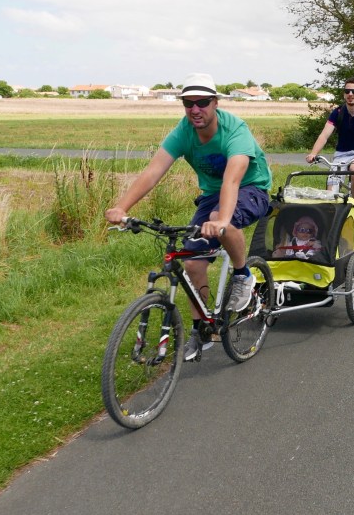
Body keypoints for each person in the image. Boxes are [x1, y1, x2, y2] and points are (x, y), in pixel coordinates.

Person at [105, 72, 272, 361]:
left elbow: (232, 181)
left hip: (251, 188)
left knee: (223, 218)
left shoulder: (235, 130)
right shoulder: (183, 132)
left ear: (215, 103)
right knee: (193, 263)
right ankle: (201, 331)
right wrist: (122, 207)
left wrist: (220, 220)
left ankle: (243, 275)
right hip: (212, 194)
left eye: (202, 102)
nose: (195, 109)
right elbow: (153, 172)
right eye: (188, 103)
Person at [305, 77, 354, 199]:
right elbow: (324, 136)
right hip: (341, 154)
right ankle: (334, 212)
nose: (350, 94)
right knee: (331, 191)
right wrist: (313, 153)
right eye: (347, 91)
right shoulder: (337, 113)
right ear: (344, 94)